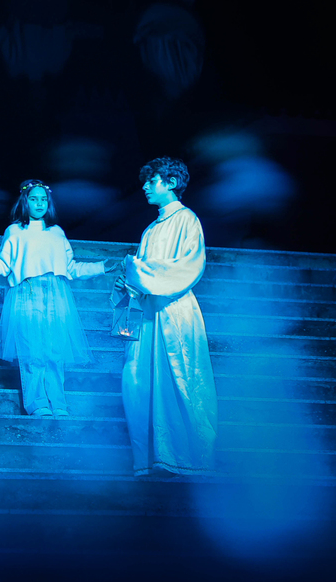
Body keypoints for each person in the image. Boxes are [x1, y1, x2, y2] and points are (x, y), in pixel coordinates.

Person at [0, 180, 115, 416]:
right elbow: (3, 263)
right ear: (25, 201)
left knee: (55, 351)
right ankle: (37, 402)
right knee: (33, 352)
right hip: (27, 295)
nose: (39, 203)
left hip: (55, 296)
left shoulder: (56, 233)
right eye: (34, 199)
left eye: (43, 199)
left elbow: (70, 267)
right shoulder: (15, 231)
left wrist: (100, 267)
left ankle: (58, 402)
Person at [114, 157, 217, 476]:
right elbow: (141, 276)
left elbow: (188, 266)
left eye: (152, 180)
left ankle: (186, 456)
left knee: (179, 378)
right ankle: (152, 457)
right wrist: (129, 283)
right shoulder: (151, 229)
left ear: (170, 182)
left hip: (173, 310)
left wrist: (138, 272)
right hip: (148, 313)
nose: (145, 186)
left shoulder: (187, 220)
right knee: (140, 379)